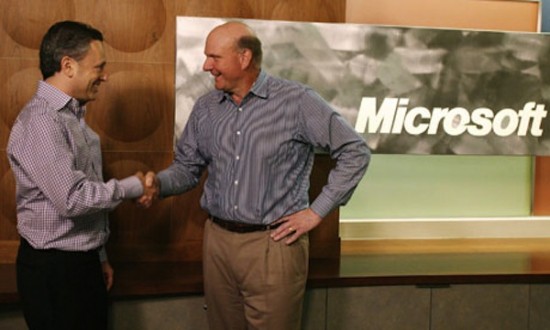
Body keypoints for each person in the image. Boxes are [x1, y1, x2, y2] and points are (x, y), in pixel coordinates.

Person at [144, 21, 370, 330]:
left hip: (273, 245)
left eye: (214, 57)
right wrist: (159, 184)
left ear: (245, 58)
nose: (206, 66)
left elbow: (355, 151)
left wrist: (316, 213)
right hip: (217, 243)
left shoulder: (297, 101)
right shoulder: (207, 107)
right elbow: (187, 168)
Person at [7, 20, 151, 330]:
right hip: (55, 270)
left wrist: (98, 255)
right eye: (98, 67)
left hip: (79, 264)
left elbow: (84, 193)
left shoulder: (71, 117)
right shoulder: (42, 120)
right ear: (68, 66)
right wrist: (133, 186)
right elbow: (72, 199)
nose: (105, 75)